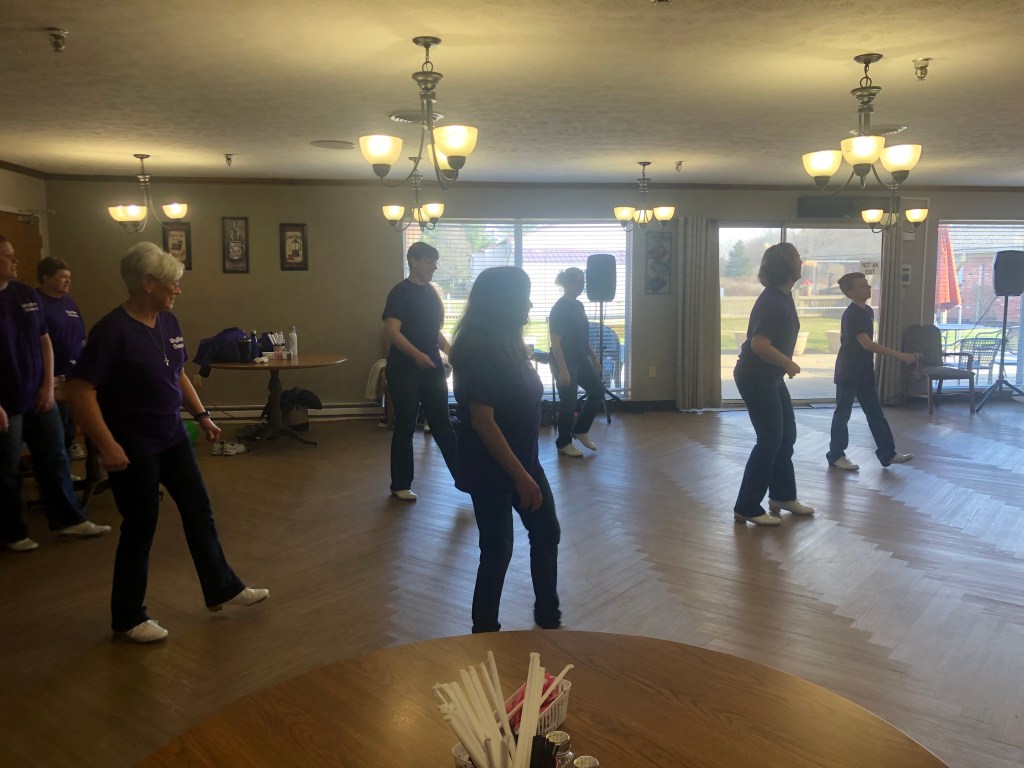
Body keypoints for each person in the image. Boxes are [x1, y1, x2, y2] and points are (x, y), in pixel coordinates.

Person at [66, 242, 267, 644]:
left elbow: (178, 373)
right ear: (147, 283)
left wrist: (202, 415)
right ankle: (127, 617)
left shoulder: (168, 322)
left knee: (199, 510)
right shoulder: (112, 331)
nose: (178, 289)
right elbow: (79, 390)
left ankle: (221, 588)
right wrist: (107, 445)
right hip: (132, 445)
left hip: (171, 437)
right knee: (141, 527)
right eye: (172, 283)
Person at [450, 267, 561, 633]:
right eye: (524, 296)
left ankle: (549, 618)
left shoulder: (509, 343)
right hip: (492, 468)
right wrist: (521, 478)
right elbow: (483, 422)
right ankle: (484, 631)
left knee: (546, 532)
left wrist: (527, 472)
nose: (530, 304)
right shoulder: (478, 350)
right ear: (504, 302)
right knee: (497, 549)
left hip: (525, 462)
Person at [0, 235, 110, 552]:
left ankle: (68, 521)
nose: (14, 260)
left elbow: (44, 340)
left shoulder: (24, 294)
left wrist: (48, 385)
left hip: (39, 394)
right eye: (7, 255)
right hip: (6, 402)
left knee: (55, 456)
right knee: (6, 468)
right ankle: (11, 532)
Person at [733, 242, 816, 527]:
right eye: (797, 258)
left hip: (769, 376)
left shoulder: (783, 296)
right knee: (769, 440)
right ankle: (747, 506)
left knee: (786, 435)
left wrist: (782, 366)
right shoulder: (771, 300)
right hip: (756, 376)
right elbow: (759, 344)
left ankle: (782, 496)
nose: (801, 262)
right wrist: (788, 363)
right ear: (786, 265)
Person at [381, 242, 457, 501]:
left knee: (443, 423)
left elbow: (434, 332)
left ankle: (466, 477)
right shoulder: (400, 293)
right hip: (404, 369)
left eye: (435, 262)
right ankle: (400, 484)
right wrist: (416, 355)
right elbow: (392, 331)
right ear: (413, 261)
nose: (434, 266)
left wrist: (451, 351)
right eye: (429, 261)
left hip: (431, 366)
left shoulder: (431, 293)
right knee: (405, 424)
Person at [827, 272, 918, 471]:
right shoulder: (852, 314)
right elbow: (867, 344)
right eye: (862, 286)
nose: (868, 288)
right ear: (851, 293)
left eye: (867, 284)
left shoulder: (867, 311)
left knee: (875, 414)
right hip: (849, 371)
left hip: (864, 371)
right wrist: (901, 355)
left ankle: (888, 454)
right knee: (842, 415)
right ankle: (836, 455)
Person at [548, 267, 602, 457]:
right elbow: (555, 343)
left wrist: (594, 357)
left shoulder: (579, 306)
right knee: (569, 402)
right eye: (578, 282)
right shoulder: (559, 309)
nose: (581, 286)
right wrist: (562, 370)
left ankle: (580, 430)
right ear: (567, 283)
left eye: (583, 282)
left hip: (581, 359)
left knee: (597, 391)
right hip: (564, 361)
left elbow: (583, 338)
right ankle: (563, 443)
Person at [36, 257, 86, 457]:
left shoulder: (70, 303)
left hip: (73, 378)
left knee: (69, 431)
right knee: (53, 437)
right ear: (46, 278)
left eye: (69, 277)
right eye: (62, 277)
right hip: (50, 381)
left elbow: (81, 338)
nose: (68, 281)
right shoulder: (35, 302)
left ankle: (66, 469)